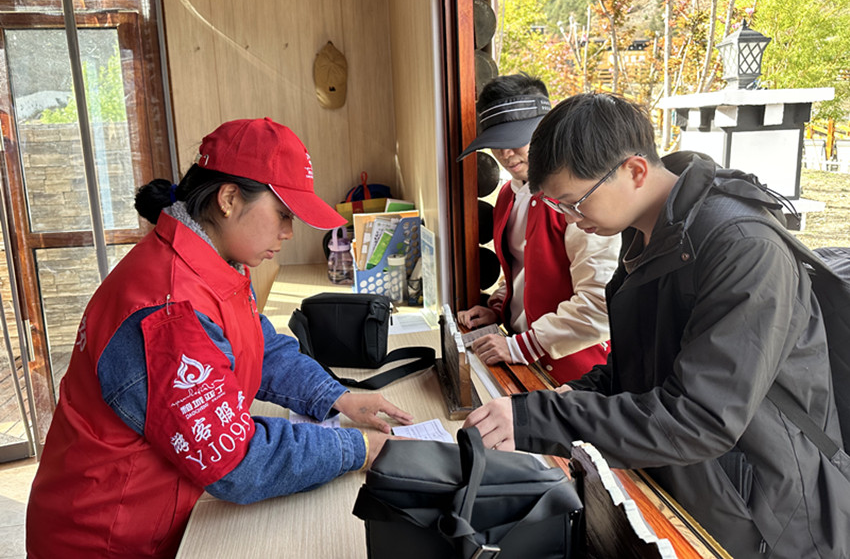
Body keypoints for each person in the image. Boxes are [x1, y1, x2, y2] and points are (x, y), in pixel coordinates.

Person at [463, 92, 850, 558]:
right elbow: (639, 362)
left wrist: (541, 419)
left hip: (767, 513)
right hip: (694, 487)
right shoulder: (649, 230)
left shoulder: (744, 248)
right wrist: (569, 397)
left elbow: (702, 418)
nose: (572, 220)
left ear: (634, 170)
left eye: (575, 203)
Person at [26, 117, 414, 558]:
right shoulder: (170, 310)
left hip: (152, 513)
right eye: (283, 214)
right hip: (104, 536)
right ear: (229, 199)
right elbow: (236, 460)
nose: (289, 232)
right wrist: (358, 448)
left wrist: (337, 397)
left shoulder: (214, 263)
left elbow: (259, 347)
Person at [456, 73, 619, 384]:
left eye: (514, 140)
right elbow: (522, 272)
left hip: (576, 374)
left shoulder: (579, 198)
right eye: (496, 143)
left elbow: (601, 304)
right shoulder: (509, 194)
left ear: (545, 130)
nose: (505, 154)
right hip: (522, 359)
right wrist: (497, 308)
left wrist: (521, 346)